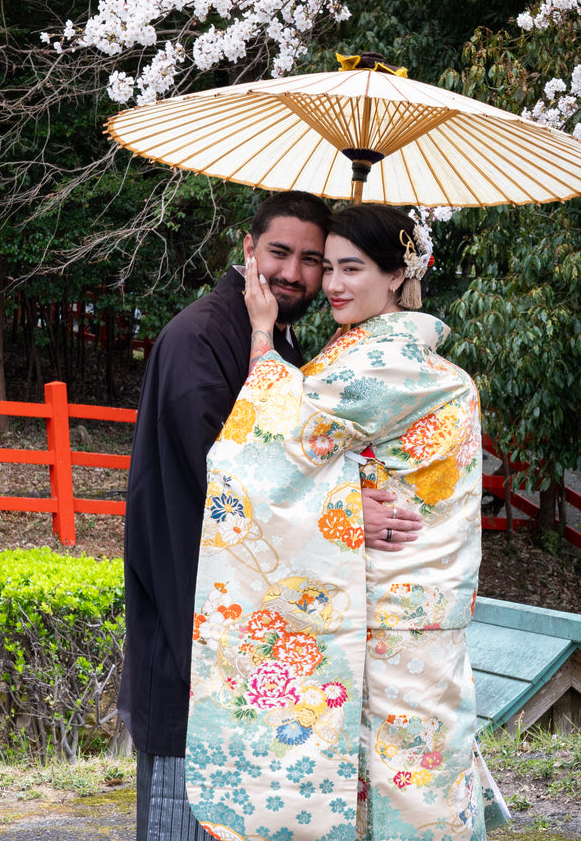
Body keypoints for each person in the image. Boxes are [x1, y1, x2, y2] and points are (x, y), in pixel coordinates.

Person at [186, 203, 505, 840]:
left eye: (351, 268)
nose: (331, 284)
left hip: (382, 610)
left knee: (383, 782)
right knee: (419, 776)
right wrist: (352, 491)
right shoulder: (424, 365)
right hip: (428, 608)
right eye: (327, 266)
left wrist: (261, 331)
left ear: (397, 276)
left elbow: (266, 445)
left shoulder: (378, 363)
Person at [120, 192, 421, 841]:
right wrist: (343, 513)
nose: (295, 273)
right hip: (193, 630)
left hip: (243, 642)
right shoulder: (201, 339)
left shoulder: (278, 336)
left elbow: (293, 457)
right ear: (248, 246)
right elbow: (226, 479)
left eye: (314, 260)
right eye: (280, 252)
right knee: (191, 819)